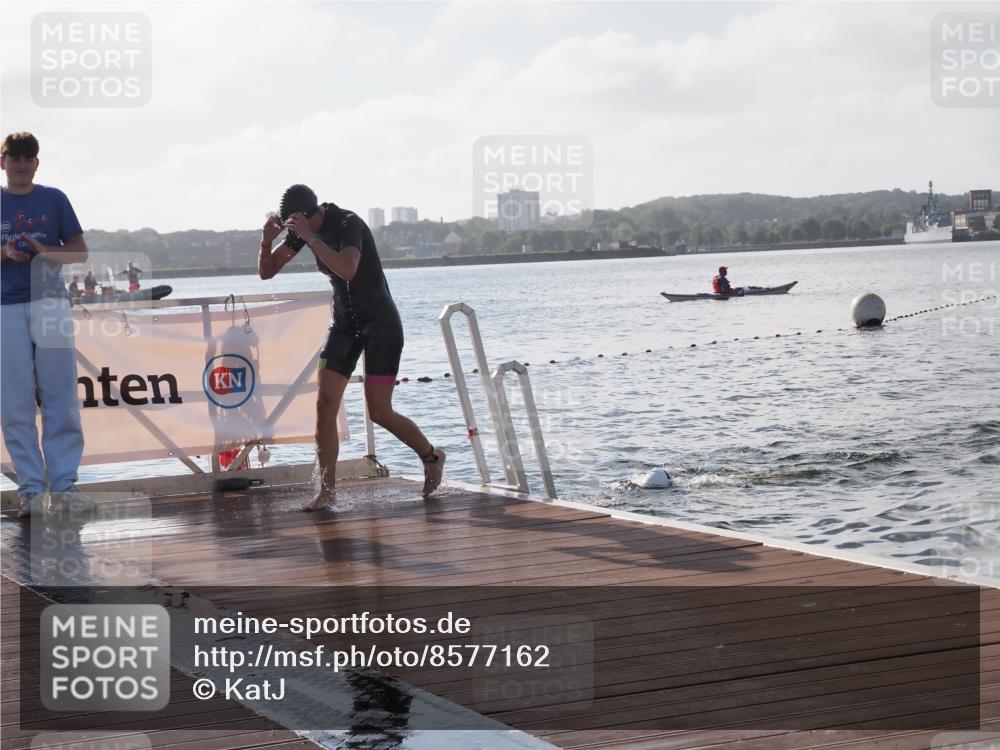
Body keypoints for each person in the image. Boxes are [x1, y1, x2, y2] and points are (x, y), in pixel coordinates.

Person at [258, 184, 445, 511]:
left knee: (379, 411)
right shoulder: (302, 231)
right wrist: (266, 242)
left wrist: (311, 238)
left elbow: (347, 269)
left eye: (301, 224)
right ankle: (326, 492)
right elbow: (267, 272)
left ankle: (431, 456)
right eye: (294, 227)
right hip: (345, 325)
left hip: (381, 325)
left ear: (312, 214)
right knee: (324, 404)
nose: (298, 233)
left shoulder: (348, 224)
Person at [1, 131, 88, 517]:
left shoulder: (54, 199)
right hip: (5, 308)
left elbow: (79, 252)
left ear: (37, 163)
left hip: (50, 303)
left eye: (27, 157)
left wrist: (44, 250)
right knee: (15, 403)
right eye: (13, 157)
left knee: (60, 397)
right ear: (2, 162)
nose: (20, 164)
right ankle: (31, 491)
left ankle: (65, 484)